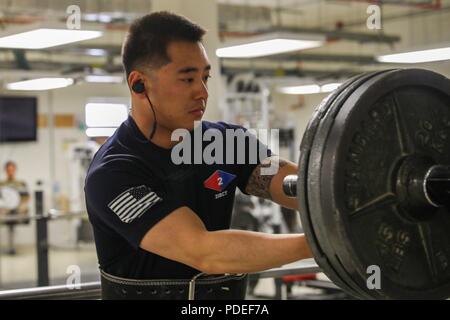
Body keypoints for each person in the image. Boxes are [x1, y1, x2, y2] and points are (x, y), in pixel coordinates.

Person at [84, 11, 313, 300]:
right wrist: (322, 243)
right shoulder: (114, 172)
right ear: (138, 84)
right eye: (187, 79)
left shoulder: (225, 142)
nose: (202, 92)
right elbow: (205, 251)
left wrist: (346, 200)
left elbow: (286, 181)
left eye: (205, 77)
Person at [0, 161, 30, 255]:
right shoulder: (2, 184)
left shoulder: (21, 184)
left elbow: (26, 198)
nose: (10, 172)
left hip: (17, 210)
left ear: (15, 170)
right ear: (5, 171)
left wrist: (21, 208)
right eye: (8, 170)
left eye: (12, 169)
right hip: (4, 210)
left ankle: (11, 247)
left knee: (14, 216)